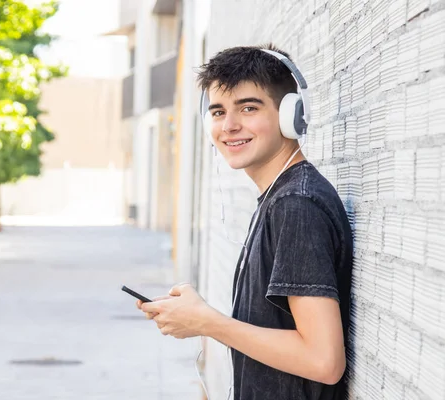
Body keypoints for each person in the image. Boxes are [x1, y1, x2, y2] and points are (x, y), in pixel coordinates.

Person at [137, 44, 353, 400]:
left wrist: (206, 322)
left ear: (290, 114)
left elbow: (323, 360)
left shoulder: (296, 205)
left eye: (248, 108)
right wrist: (194, 315)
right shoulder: (278, 197)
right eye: (218, 112)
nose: (229, 126)